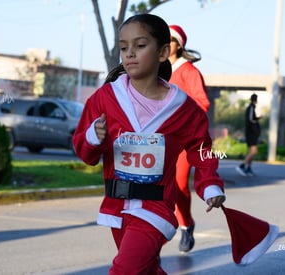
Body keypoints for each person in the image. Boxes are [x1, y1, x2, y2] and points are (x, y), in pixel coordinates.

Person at [72, 14, 226, 275]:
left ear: (163, 51)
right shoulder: (105, 99)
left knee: (125, 270)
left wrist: (209, 183)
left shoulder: (183, 109)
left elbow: (201, 149)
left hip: (155, 209)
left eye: (140, 45)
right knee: (146, 270)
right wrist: (92, 138)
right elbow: (84, 153)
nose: (130, 54)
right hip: (117, 206)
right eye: (123, 47)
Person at [168, 24, 210, 253]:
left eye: (169, 40)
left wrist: (180, 119)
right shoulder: (159, 71)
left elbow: (202, 104)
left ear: (178, 45)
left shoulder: (189, 72)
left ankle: (185, 224)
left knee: (179, 185)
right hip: (159, 141)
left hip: (183, 140)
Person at [236, 93, 261, 176]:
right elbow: (250, 120)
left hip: (251, 133)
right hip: (251, 133)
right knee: (254, 151)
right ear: (255, 99)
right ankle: (242, 166)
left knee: (251, 151)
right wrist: (257, 120)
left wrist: (257, 118)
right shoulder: (251, 108)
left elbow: (251, 119)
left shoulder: (252, 108)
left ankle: (248, 168)